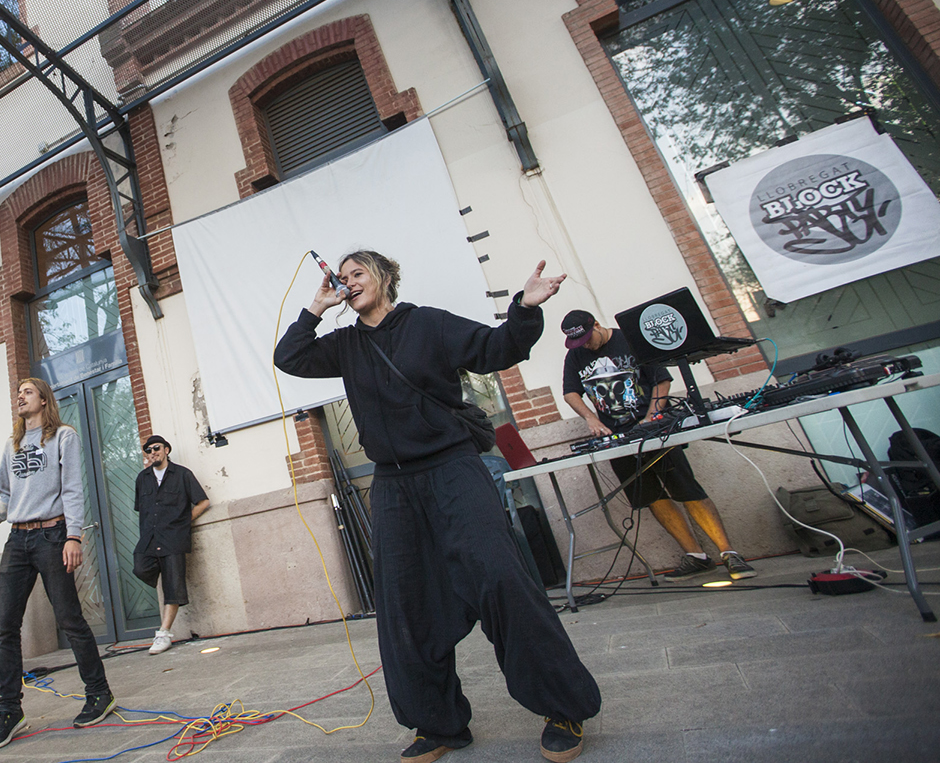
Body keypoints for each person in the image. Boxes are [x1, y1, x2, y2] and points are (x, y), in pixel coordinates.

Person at [275, 251, 601, 763]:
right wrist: (315, 308)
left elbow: (499, 347)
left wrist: (525, 306)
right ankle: (440, 724)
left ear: (384, 278)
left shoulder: (427, 323)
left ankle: (562, 708)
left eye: (358, 272)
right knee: (406, 604)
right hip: (393, 486)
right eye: (342, 277)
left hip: (452, 470)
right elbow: (289, 358)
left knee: (500, 578)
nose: (348, 281)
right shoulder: (344, 344)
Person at [0, 377, 115, 750]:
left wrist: (74, 535)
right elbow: (6, 494)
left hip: (53, 535)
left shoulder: (63, 436)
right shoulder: (11, 444)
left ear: (43, 399)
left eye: (28, 391)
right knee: (5, 628)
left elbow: (73, 489)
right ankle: (10, 711)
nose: (20, 395)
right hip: (17, 540)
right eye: (18, 392)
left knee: (69, 619)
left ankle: (99, 694)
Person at [559, 310, 756, 581]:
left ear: (596, 324)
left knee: (686, 489)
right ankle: (696, 556)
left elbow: (661, 379)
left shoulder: (629, 340)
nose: (586, 346)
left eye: (587, 339)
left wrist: (652, 417)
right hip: (618, 437)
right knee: (650, 496)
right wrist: (591, 419)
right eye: (578, 344)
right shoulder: (575, 355)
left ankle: (729, 553)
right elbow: (570, 392)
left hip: (653, 430)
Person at [132, 434, 210, 654]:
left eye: (156, 448)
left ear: (166, 449)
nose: (152, 452)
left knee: (173, 586)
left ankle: (164, 633)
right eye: (148, 450)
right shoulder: (142, 478)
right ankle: (163, 577)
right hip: (149, 538)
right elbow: (142, 508)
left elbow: (203, 502)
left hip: (174, 538)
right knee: (140, 568)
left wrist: (183, 523)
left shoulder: (183, 474)